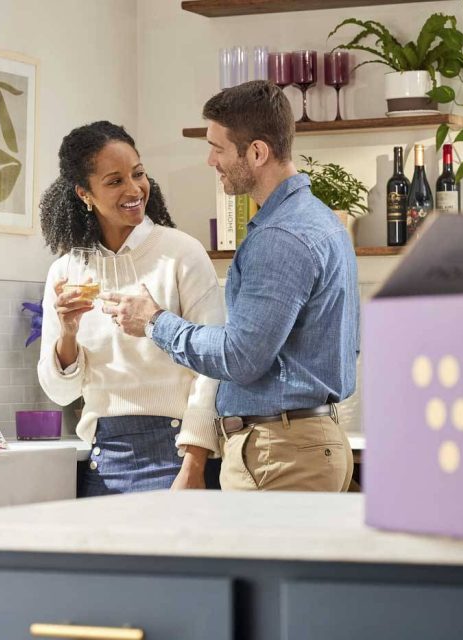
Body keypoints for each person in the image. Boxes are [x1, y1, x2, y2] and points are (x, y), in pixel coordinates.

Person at [102, 81, 358, 492]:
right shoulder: (321, 221)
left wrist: (154, 321)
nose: (210, 160)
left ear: (257, 152)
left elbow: (239, 358)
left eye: (218, 148)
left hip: (280, 453)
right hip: (304, 445)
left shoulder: (280, 236)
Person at [37, 121, 225, 497]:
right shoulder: (67, 271)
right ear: (84, 193)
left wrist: (195, 463)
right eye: (114, 181)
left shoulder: (180, 253)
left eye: (138, 174)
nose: (134, 189)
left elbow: (213, 368)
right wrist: (68, 333)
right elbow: (59, 392)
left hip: (177, 451)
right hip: (102, 459)